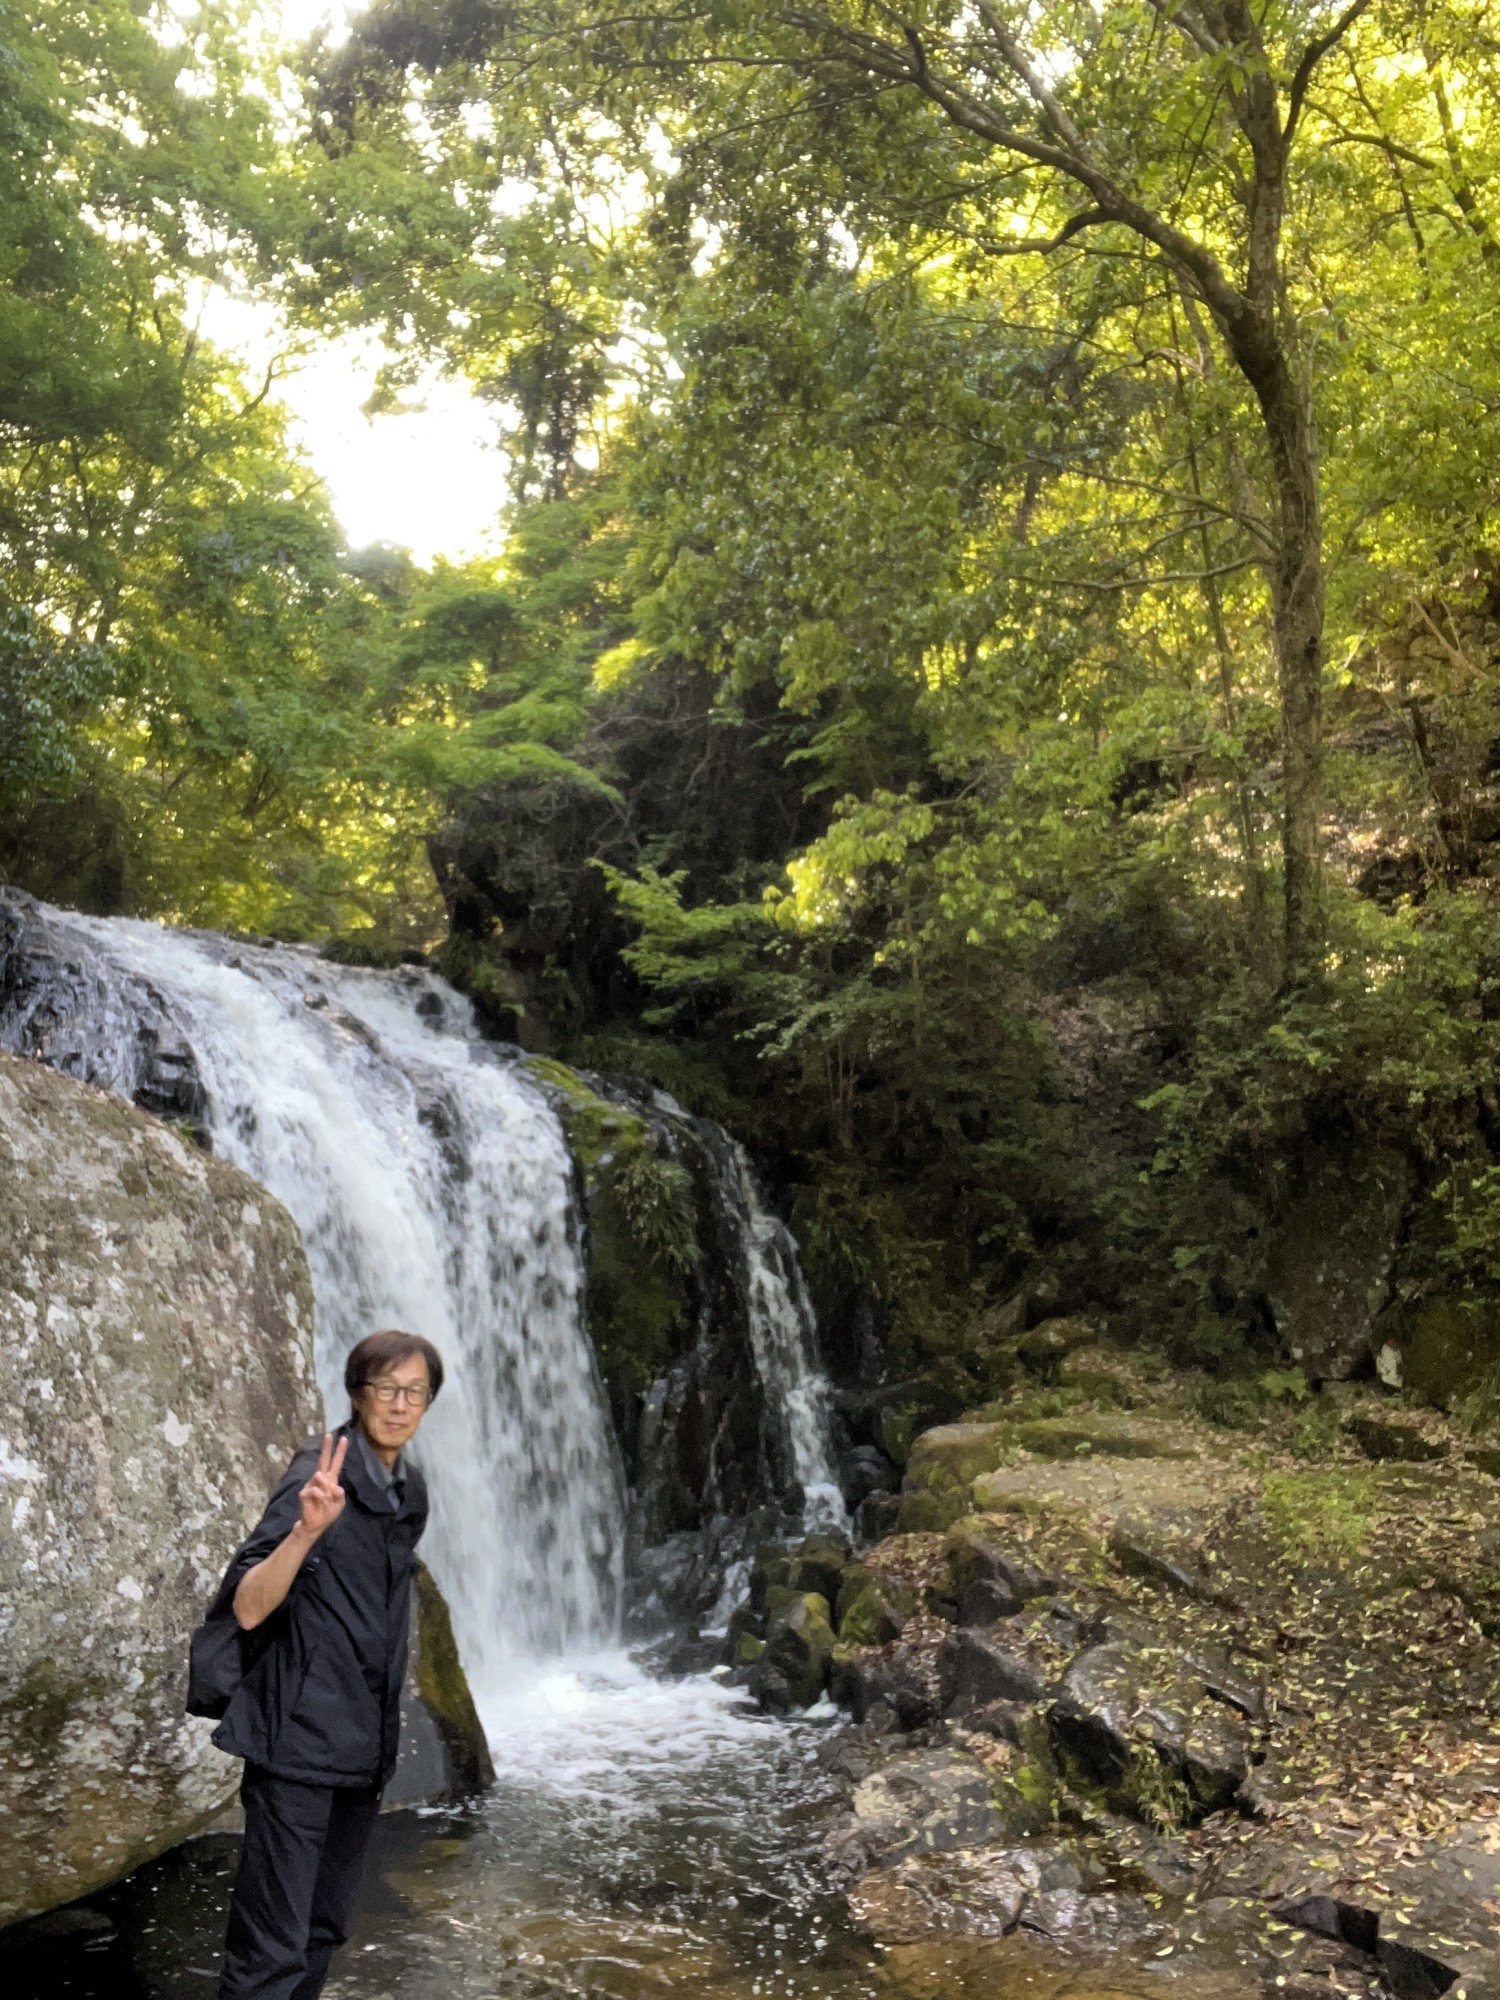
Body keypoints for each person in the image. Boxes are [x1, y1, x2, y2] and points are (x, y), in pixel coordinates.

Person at [211, 1329, 443, 2000]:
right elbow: (247, 1607)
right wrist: (305, 1532)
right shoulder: (318, 1473)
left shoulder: (409, 1491)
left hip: (364, 1748)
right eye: (386, 1388)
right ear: (356, 1394)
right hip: (297, 1747)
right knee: (270, 1950)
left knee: (322, 1930)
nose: (399, 1405)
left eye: (415, 1392)